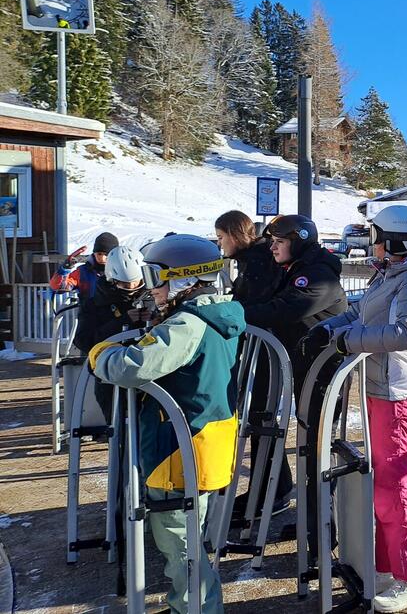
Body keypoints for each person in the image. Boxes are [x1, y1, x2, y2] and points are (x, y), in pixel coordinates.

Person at [90, 234, 242, 614]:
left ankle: (196, 608)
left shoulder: (187, 325)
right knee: (191, 537)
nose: (152, 289)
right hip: (203, 441)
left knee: (181, 545)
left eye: (156, 279)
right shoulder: (217, 313)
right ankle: (194, 605)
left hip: (178, 451)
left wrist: (101, 354)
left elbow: (135, 366)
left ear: (182, 281)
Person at [309, 204, 407, 613]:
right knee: (382, 479)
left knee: (394, 482)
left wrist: (349, 341)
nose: (373, 245)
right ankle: (389, 564)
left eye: (378, 238)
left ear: (397, 241)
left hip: (398, 389)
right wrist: (326, 328)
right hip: (380, 385)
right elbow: (361, 311)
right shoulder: (392, 274)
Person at [240, 214, 347, 536]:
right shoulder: (296, 269)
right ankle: (313, 520)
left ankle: (321, 527)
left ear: (298, 242)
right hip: (305, 367)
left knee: (317, 446)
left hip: (321, 370)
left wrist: (232, 314)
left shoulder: (316, 276)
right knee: (309, 444)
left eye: (279, 242)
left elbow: (283, 309)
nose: (272, 248)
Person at [213, 210, 288, 516]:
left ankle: (266, 493)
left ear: (234, 234)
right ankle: (271, 488)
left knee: (260, 419)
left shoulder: (257, 262)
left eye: (221, 238)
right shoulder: (252, 260)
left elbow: (252, 308)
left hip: (264, 352)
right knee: (259, 420)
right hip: (262, 349)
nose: (220, 245)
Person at [75, 245, 150, 422]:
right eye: (125, 285)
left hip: (146, 373)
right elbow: (84, 341)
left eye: (137, 283)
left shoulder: (153, 296)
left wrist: (155, 319)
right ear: (112, 280)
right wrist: (122, 322)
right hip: (111, 376)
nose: (132, 288)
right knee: (118, 429)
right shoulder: (94, 304)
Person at [50, 231, 118, 299]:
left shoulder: (120, 272)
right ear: (94, 253)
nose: (102, 258)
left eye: (106, 254)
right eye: (99, 254)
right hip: (89, 308)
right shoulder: (83, 272)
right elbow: (59, 287)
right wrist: (65, 269)